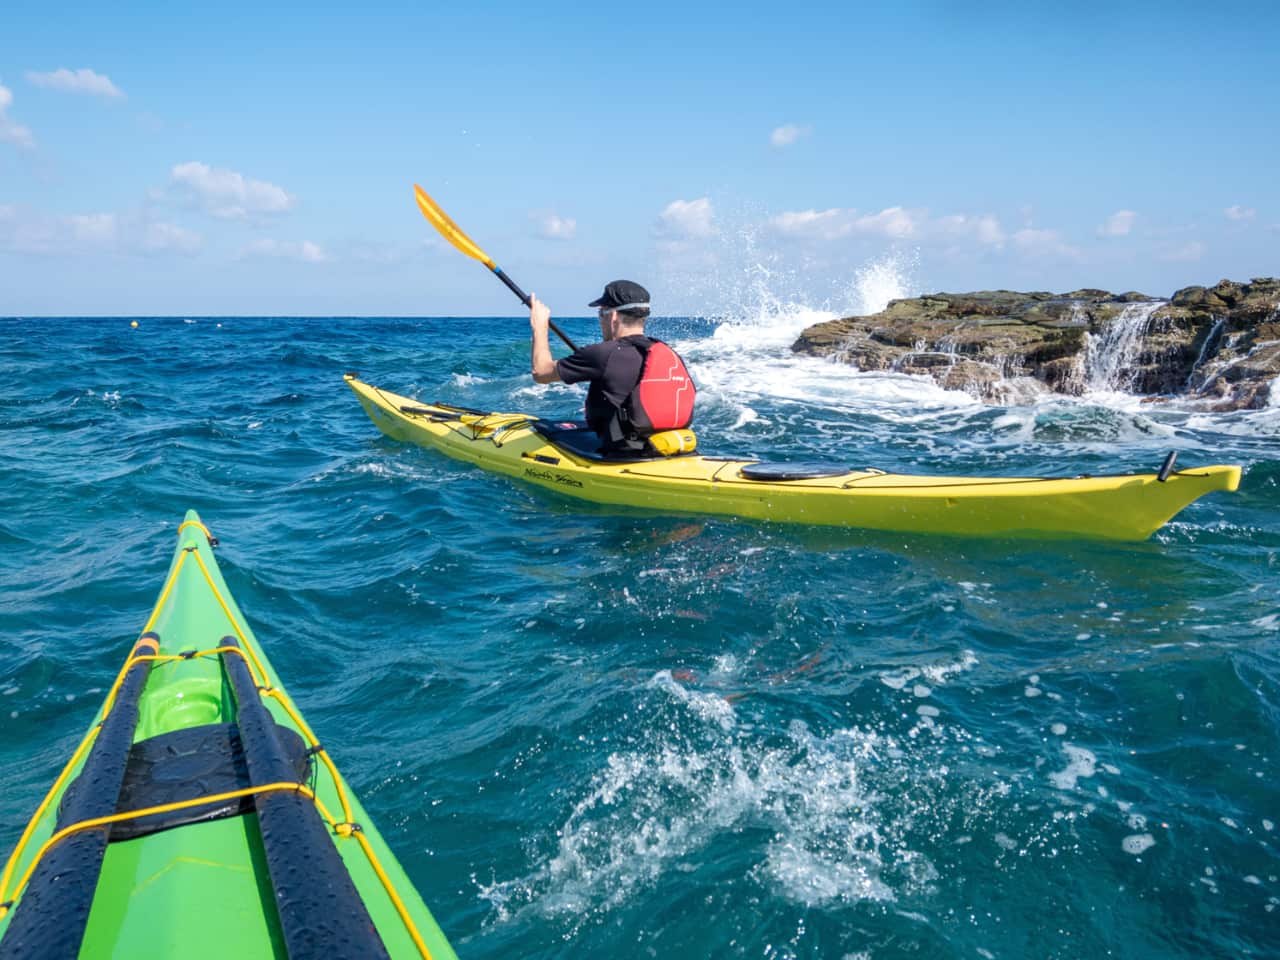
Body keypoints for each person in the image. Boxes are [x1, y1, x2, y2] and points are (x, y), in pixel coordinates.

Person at [530, 280, 696, 454]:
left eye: (601, 313)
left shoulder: (603, 354)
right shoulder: (665, 351)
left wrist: (539, 327)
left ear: (613, 316)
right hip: (669, 447)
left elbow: (541, 372)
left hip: (623, 455)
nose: (601, 319)